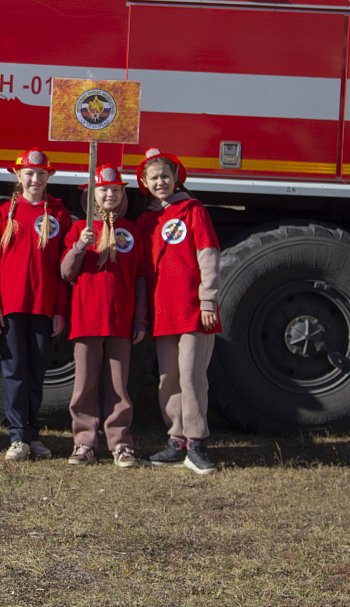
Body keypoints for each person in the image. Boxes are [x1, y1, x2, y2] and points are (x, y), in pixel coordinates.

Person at [135, 149, 221, 475]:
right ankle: (176, 441)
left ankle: (197, 443)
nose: (161, 182)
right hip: (163, 314)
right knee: (169, 378)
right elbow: (144, 273)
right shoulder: (146, 222)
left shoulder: (193, 211)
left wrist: (209, 301)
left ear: (176, 178)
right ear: (144, 182)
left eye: (166, 176)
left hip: (193, 310)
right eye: (154, 177)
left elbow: (208, 255)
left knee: (192, 376)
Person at [57, 162, 147, 467]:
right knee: (85, 385)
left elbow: (140, 279)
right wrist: (80, 246)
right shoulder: (78, 229)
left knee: (118, 387)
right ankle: (84, 443)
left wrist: (140, 319)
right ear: (92, 195)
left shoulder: (132, 231)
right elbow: (66, 273)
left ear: (123, 194)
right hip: (87, 320)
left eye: (115, 190)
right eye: (103, 189)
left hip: (121, 321)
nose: (109, 194)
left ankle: (120, 444)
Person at [0, 148, 70, 462]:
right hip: (10, 306)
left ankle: (34, 435)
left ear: (49, 177)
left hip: (44, 308)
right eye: (29, 174)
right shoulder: (1, 215)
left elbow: (64, 270)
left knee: (36, 371)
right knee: (14, 371)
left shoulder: (59, 215)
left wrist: (60, 309)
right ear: (18, 176)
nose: (35, 179)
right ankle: (18, 437)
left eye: (41, 174)